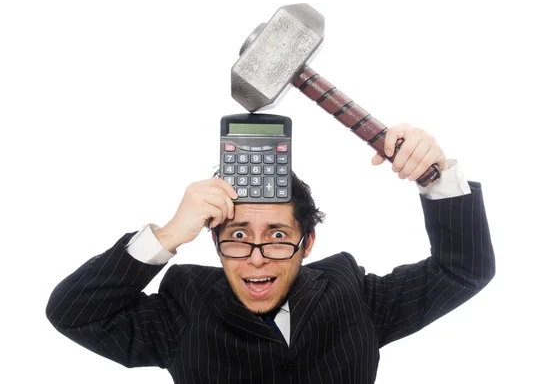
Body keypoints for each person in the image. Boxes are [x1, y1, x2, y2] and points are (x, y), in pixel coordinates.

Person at [46, 124, 495, 384]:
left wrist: (434, 176)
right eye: (238, 235)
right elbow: (74, 314)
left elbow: (463, 269)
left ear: (308, 245)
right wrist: (167, 235)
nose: (256, 257)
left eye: (278, 236)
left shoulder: (352, 295)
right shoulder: (183, 309)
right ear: (215, 243)